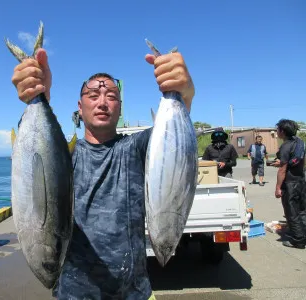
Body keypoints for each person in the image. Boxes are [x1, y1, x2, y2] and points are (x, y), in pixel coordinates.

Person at [11, 46, 195, 299]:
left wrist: (184, 93)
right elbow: (35, 154)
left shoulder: (138, 149)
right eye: (93, 94)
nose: (102, 102)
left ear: (120, 107)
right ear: (79, 105)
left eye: (111, 95)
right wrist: (38, 93)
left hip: (135, 294)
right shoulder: (65, 157)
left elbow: (172, 143)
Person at [271, 119, 306, 249]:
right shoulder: (300, 142)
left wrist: (278, 188)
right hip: (301, 181)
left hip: (290, 183)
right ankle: (303, 234)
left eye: (277, 129)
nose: (276, 132)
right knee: (302, 210)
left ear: (283, 131)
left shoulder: (286, 146)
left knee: (292, 212)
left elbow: (282, 170)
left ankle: (298, 240)